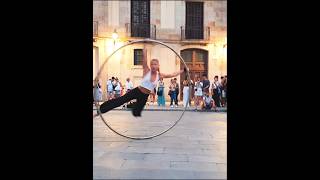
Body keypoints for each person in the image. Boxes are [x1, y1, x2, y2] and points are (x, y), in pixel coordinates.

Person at [97, 45, 186, 117]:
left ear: (158, 65)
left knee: (136, 113)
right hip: (137, 91)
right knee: (120, 101)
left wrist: (183, 71)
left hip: (144, 96)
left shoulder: (160, 75)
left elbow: (173, 74)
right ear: (150, 65)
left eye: (155, 64)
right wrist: (145, 47)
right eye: (152, 64)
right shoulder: (147, 70)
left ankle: (132, 105)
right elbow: (144, 59)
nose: (154, 66)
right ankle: (102, 109)